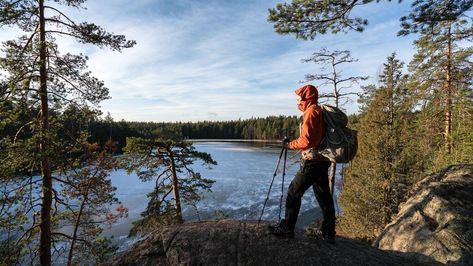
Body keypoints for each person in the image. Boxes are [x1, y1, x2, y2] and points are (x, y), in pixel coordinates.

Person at [268, 84, 336, 243]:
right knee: (324, 197)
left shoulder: (312, 112)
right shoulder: (318, 111)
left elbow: (307, 140)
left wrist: (289, 145)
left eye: (299, 97)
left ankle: (287, 228)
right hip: (322, 160)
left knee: (293, 192)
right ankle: (328, 233)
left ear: (306, 97)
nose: (297, 100)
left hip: (313, 161)